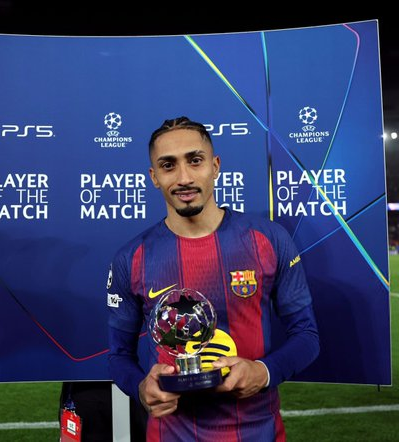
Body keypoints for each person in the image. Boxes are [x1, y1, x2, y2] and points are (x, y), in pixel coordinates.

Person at [107, 116, 320, 441]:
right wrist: (140, 387)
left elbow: (306, 335)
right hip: (170, 434)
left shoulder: (269, 239)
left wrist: (263, 372)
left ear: (215, 166)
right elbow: (118, 356)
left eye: (195, 160)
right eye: (168, 165)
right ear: (154, 177)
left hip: (259, 432)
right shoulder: (131, 258)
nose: (184, 178)